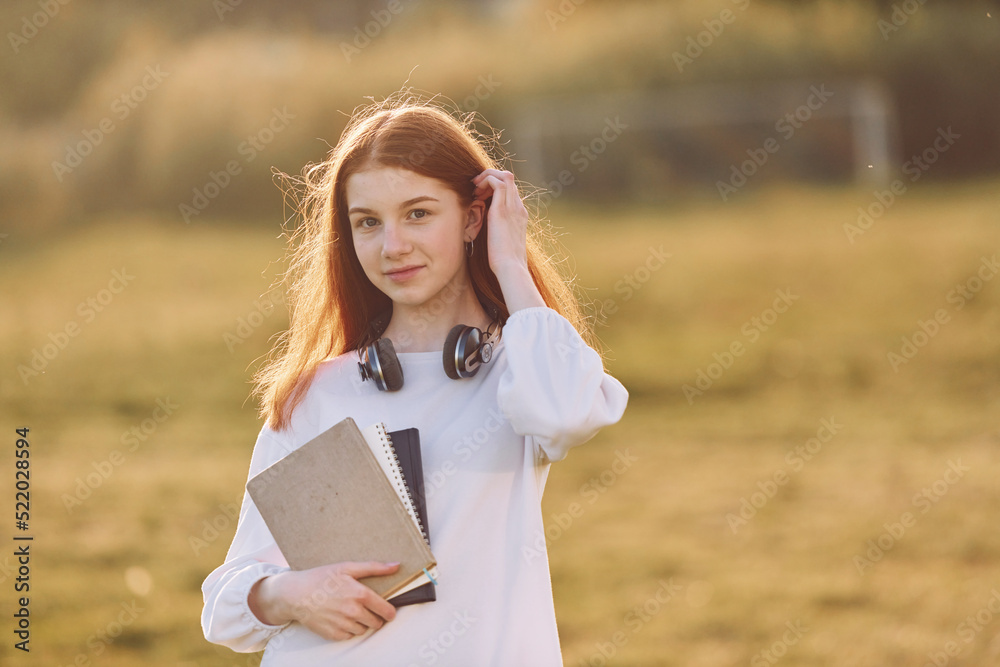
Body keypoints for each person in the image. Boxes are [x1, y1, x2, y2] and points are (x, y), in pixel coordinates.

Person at [201, 93, 628, 665]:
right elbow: (223, 606)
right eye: (368, 223)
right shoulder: (320, 395)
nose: (392, 245)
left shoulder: (521, 372)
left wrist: (509, 261)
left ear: (474, 217)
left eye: (418, 213)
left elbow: (565, 413)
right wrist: (289, 594)